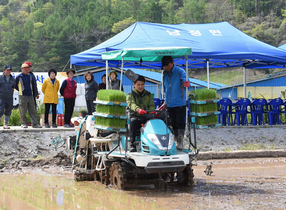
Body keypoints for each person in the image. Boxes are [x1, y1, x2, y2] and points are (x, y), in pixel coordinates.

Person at [162, 56, 188, 150]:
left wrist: (185, 82)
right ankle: (176, 139)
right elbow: (165, 89)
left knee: (180, 122)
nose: (167, 67)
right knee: (173, 123)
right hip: (169, 103)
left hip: (180, 102)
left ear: (172, 62)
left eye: (168, 65)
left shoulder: (180, 71)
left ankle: (180, 140)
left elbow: (186, 81)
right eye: (165, 66)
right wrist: (165, 100)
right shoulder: (164, 74)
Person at [126, 75, 155, 152]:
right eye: (138, 84)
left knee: (156, 121)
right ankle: (132, 144)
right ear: (134, 85)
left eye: (142, 84)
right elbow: (132, 104)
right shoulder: (130, 95)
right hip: (136, 117)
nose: (140, 86)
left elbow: (151, 105)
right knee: (133, 122)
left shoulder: (148, 94)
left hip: (146, 117)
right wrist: (138, 109)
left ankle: (155, 144)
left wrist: (152, 110)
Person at [14, 63, 42, 128]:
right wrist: (21, 90)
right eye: (24, 68)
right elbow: (15, 85)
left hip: (31, 95)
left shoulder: (31, 76)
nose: (26, 69)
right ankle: (24, 123)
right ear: (21, 69)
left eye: (27, 68)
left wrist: (36, 93)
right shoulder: (19, 76)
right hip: (22, 95)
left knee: (33, 110)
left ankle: (35, 124)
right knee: (23, 110)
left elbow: (34, 85)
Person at [0, 65, 15, 129]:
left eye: (10, 70)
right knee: (0, 109)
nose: (9, 71)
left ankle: (5, 124)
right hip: (1, 97)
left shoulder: (12, 79)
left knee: (8, 110)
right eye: (7, 70)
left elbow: (14, 87)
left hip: (9, 97)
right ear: (4, 70)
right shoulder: (0, 78)